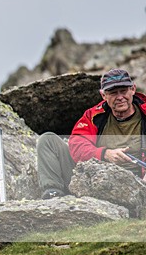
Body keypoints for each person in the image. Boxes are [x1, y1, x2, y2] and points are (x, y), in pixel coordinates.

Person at [37, 68, 146, 198]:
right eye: (113, 93)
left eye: (123, 91)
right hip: (92, 179)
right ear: (103, 95)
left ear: (133, 89)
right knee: (48, 140)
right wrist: (104, 154)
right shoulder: (94, 115)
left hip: (137, 184)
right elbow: (77, 145)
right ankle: (53, 196)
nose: (120, 97)